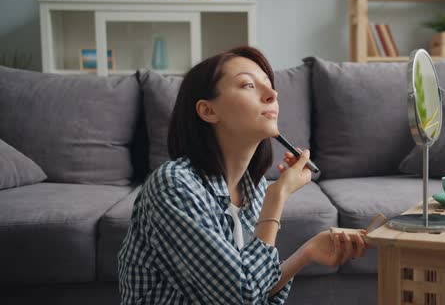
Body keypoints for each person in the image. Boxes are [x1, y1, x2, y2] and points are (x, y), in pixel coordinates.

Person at [117, 46, 369, 304]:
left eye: (270, 86)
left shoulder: (252, 186)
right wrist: (278, 196)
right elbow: (239, 298)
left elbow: (252, 284)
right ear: (208, 111)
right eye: (248, 85)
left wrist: (307, 252)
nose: (272, 94)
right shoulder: (173, 185)